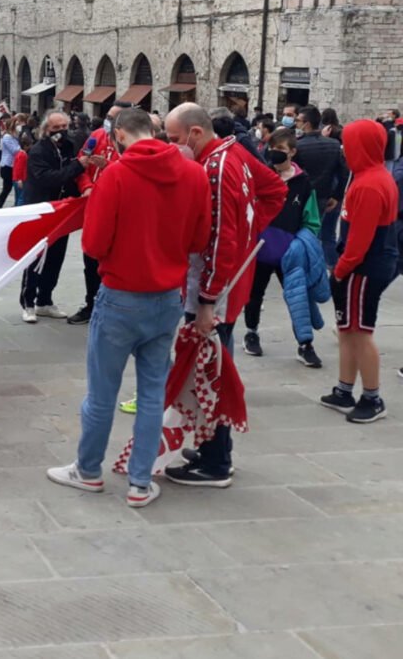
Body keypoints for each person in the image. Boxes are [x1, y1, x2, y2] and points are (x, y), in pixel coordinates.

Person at [47, 108, 211, 508]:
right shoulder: (195, 175)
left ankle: (88, 471)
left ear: (120, 134)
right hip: (166, 298)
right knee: (153, 393)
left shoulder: (117, 175)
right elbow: (199, 239)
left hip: (120, 295)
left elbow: (94, 244)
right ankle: (140, 482)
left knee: (102, 393)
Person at [164, 103, 286, 487]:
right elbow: (274, 189)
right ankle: (211, 449)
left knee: (209, 372)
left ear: (196, 133)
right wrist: (251, 231)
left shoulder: (216, 167)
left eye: (174, 139)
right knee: (211, 368)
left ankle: (216, 461)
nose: (172, 146)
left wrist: (206, 301)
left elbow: (220, 240)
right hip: (227, 283)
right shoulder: (235, 154)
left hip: (214, 290)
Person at [320, 119, 398, 423]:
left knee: (359, 332)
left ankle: (372, 397)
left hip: (364, 267)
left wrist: (339, 271)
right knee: (348, 329)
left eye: (348, 145)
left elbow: (358, 242)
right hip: (368, 263)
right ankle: (344, 389)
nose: (344, 150)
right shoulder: (374, 176)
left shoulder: (368, 184)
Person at [242, 128, 324, 367]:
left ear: (293, 152)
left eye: (281, 150)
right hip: (260, 248)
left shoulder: (304, 183)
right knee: (254, 292)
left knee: (297, 297)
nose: (275, 154)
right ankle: (251, 332)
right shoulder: (262, 177)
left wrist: (301, 243)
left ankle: (305, 343)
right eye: (273, 149)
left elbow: (312, 219)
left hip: (289, 250)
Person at [19, 112, 101, 324]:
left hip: (62, 211)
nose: (62, 131)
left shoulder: (68, 147)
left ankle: (45, 300)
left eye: (65, 125)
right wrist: (77, 166)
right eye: (57, 127)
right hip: (42, 211)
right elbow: (48, 179)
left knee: (56, 258)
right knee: (36, 260)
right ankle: (28, 302)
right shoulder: (38, 151)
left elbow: (74, 174)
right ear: (47, 130)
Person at [67, 102, 131, 326]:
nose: (109, 121)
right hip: (93, 204)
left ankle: (114, 306)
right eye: (108, 116)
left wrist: (110, 165)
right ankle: (91, 303)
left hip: (119, 209)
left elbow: (133, 171)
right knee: (90, 259)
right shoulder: (96, 136)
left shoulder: (131, 141)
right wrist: (85, 186)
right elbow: (80, 164)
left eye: (114, 118)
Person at [295, 105, 346, 268]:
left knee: (303, 233)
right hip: (325, 196)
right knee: (322, 234)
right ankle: (324, 265)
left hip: (303, 198)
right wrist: (337, 196)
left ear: (307, 123)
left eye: (298, 120)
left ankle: (306, 264)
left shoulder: (298, 146)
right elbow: (344, 173)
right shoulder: (333, 145)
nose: (295, 123)